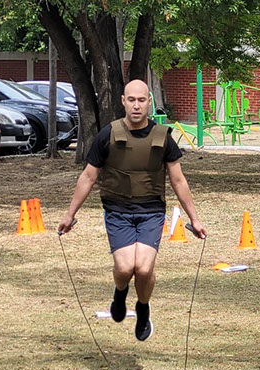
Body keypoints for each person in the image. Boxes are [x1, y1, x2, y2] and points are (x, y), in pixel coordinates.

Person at [58, 79, 207, 341]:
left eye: (141, 100)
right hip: (118, 211)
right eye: (131, 100)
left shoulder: (163, 137)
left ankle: (143, 309)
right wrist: (70, 214)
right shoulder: (108, 135)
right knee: (126, 268)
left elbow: (178, 180)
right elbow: (89, 177)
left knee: (144, 269)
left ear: (149, 102)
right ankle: (120, 293)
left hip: (151, 212)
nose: (136, 106)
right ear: (123, 102)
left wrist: (194, 219)